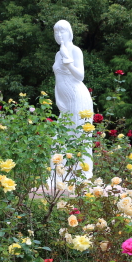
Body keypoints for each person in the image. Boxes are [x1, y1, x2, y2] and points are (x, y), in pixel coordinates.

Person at [52, 20, 93, 180]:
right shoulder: (58, 53)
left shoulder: (75, 51)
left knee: (78, 136)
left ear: (70, 33)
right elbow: (58, 79)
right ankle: (62, 176)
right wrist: (58, 99)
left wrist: (68, 62)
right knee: (60, 137)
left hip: (77, 98)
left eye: (62, 31)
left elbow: (80, 76)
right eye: (56, 32)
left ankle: (82, 175)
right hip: (65, 102)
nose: (59, 35)